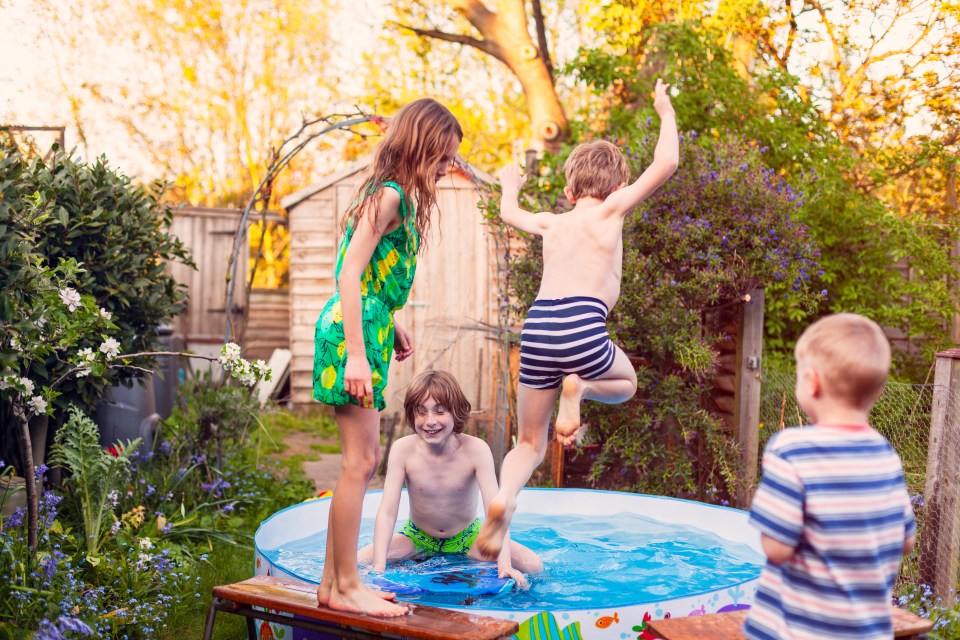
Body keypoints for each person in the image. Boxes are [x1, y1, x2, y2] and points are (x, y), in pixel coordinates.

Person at [474, 78, 678, 560]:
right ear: (619, 186)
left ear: (568, 190)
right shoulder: (611, 209)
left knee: (528, 442)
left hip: (539, 326)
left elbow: (508, 212)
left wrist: (509, 183)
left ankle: (504, 499)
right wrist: (665, 110)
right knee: (626, 382)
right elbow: (666, 163)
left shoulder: (551, 221)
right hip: (584, 325)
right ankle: (580, 388)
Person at [312, 99, 463, 616]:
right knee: (361, 462)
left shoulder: (392, 196)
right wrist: (357, 352)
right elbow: (348, 274)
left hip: (369, 326)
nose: (447, 168)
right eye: (443, 158)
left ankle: (334, 585)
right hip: (350, 338)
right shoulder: (392, 195)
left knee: (360, 462)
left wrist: (390, 321)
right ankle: (348, 587)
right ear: (422, 146)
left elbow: (369, 273)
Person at [743, 313, 916, 640]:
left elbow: (777, 547)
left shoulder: (792, 449)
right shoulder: (885, 454)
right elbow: (906, 540)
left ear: (812, 382)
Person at [357, 370, 543, 587]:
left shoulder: (476, 450)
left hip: (467, 538)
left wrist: (504, 564)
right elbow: (388, 512)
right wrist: (379, 565)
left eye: (440, 411)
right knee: (359, 562)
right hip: (417, 538)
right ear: (411, 415)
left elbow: (496, 509)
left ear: (456, 412)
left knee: (533, 565)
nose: (430, 421)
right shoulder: (402, 450)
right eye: (421, 412)